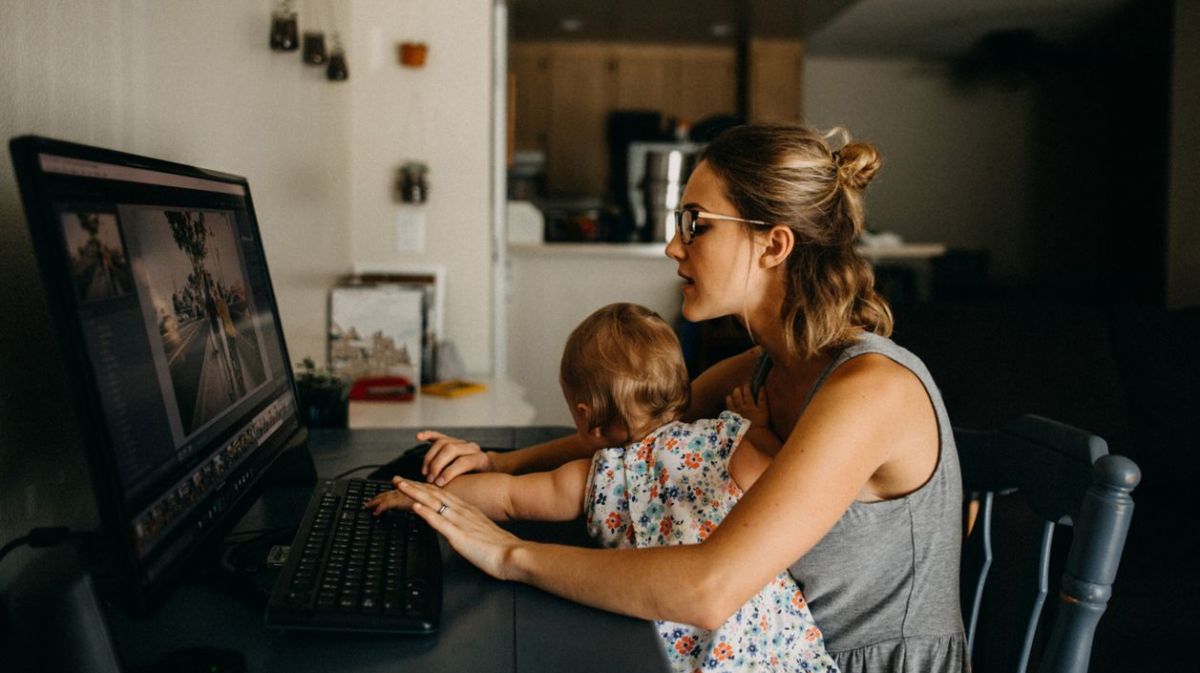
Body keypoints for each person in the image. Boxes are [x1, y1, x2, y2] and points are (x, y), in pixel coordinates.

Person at [394, 124, 967, 673]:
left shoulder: (868, 392)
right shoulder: (765, 366)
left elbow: (707, 588)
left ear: (774, 244)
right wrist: (498, 463)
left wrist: (506, 555)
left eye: (695, 223)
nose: (673, 245)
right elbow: (641, 435)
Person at [368, 302, 839, 672]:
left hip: (670, 653)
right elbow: (775, 468)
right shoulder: (730, 440)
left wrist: (423, 497)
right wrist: (756, 424)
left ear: (586, 418)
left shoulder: (596, 476)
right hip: (772, 648)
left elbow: (507, 499)